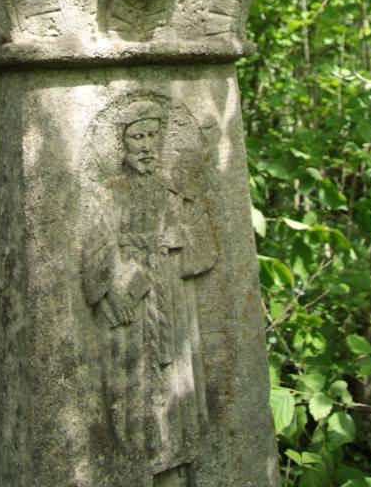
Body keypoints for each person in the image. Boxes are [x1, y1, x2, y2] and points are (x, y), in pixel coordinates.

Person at [81, 99, 216, 482]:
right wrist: (117, 285)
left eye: (152, 136)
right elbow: (95, 249)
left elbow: (203, 251)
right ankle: (134, 464)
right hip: (132, 306)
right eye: (136, 137)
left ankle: (174, 464)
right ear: (121, 145)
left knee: (176, 384)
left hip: (173, 302)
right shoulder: (110, 193)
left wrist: (179, 241)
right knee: (134, 385)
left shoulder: (177, 193)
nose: (145, 145)